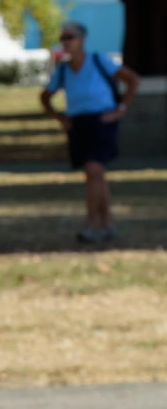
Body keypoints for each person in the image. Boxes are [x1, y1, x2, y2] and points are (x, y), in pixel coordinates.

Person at [39, 20, 140, 244]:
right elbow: (45, 96)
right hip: (77, 122)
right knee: (95, 174)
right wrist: (60, 118)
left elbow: (132, 79)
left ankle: (90, 223)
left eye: (70, 37)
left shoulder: (98, 60)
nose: (66, 42)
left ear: (81, 40)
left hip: (102, 120)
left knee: (93, 168)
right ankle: (107, 224)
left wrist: (120, 109)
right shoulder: (63, 70)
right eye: (63, 38)